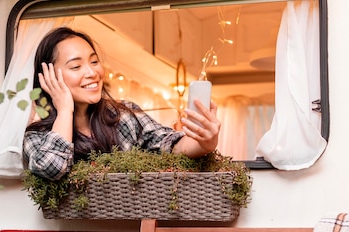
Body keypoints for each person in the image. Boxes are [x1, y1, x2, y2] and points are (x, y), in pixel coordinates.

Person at [22, 26, 221, 181]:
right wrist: (65, 109)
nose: (92, 73)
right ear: (48, 77)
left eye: (94, 62)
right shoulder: (38, 135)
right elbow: (52, 168)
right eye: (76, 66)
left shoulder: (124, 115)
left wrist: (205, 143)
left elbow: (171, 144)